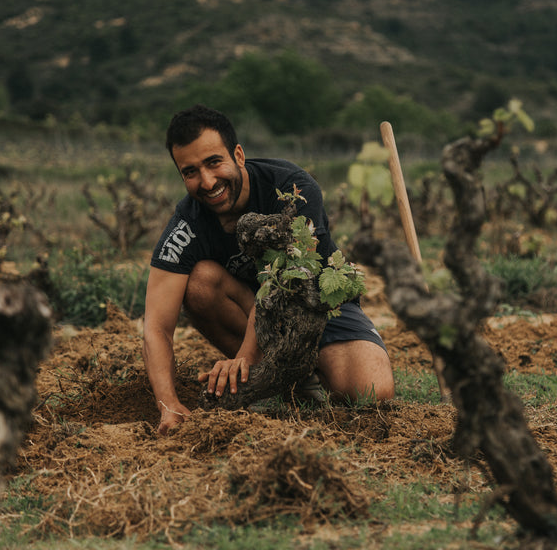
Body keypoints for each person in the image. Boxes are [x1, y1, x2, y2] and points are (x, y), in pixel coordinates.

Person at [143, 104, 395, 434]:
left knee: (370, 393)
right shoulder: (187, 224)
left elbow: (285, 285)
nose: (207, 182)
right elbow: (156, 326)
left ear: (238, 154)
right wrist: (168, 404)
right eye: (190, 172)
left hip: (318, 305)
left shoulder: (293, 188)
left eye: (214, 162)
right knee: (200, 282)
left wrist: (245, 357)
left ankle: (302, 366)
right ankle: (286, 379)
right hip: (250, 311)